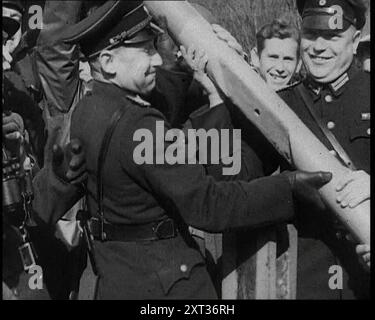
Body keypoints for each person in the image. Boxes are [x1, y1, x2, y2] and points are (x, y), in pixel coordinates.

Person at [62, 0, 331, 299]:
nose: (156, 61)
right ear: (109, 62)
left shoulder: (87, 110)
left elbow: (169, 95)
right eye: (146, 51)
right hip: (166, 285)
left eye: (155, 48)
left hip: (117, 277)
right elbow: (210, 204)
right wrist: (288, 188)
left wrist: (195, 66)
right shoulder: (141, 128)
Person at [276, 0, 371, 299]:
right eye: (310, 34)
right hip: (307, 276)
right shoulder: (280, 104)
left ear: (355, 41)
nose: (318, 46)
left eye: (331, 37)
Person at [250, 16, 302, 91]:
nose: (280, 68)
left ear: (298, 65)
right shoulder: (238, 93)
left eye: (288, 59)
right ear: (256, 58)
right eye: (273, 57)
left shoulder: (305, 100)